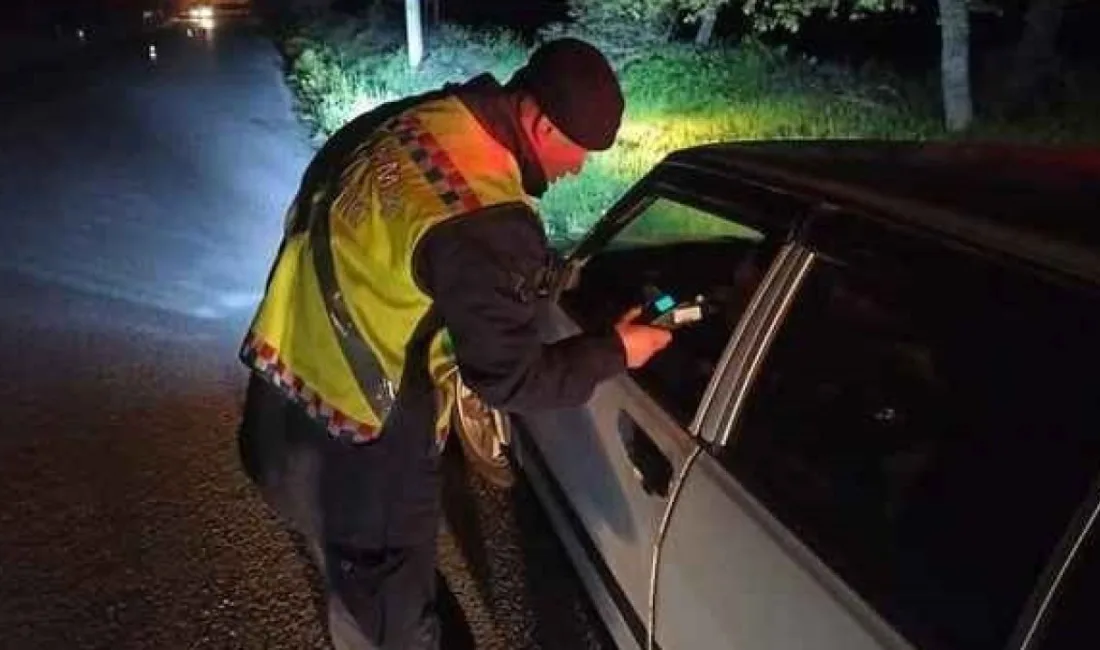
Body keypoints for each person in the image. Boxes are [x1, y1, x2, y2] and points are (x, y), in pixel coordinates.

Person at [235, 38, 672, 650]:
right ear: (542, 123)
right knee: (391, 610)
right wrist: (618, 350)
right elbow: (511, 379)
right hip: (368, 442)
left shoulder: (415, 120)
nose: (578, 169)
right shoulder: (487, 217)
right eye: (580, 153)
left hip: (284, 398)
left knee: (351, 577)